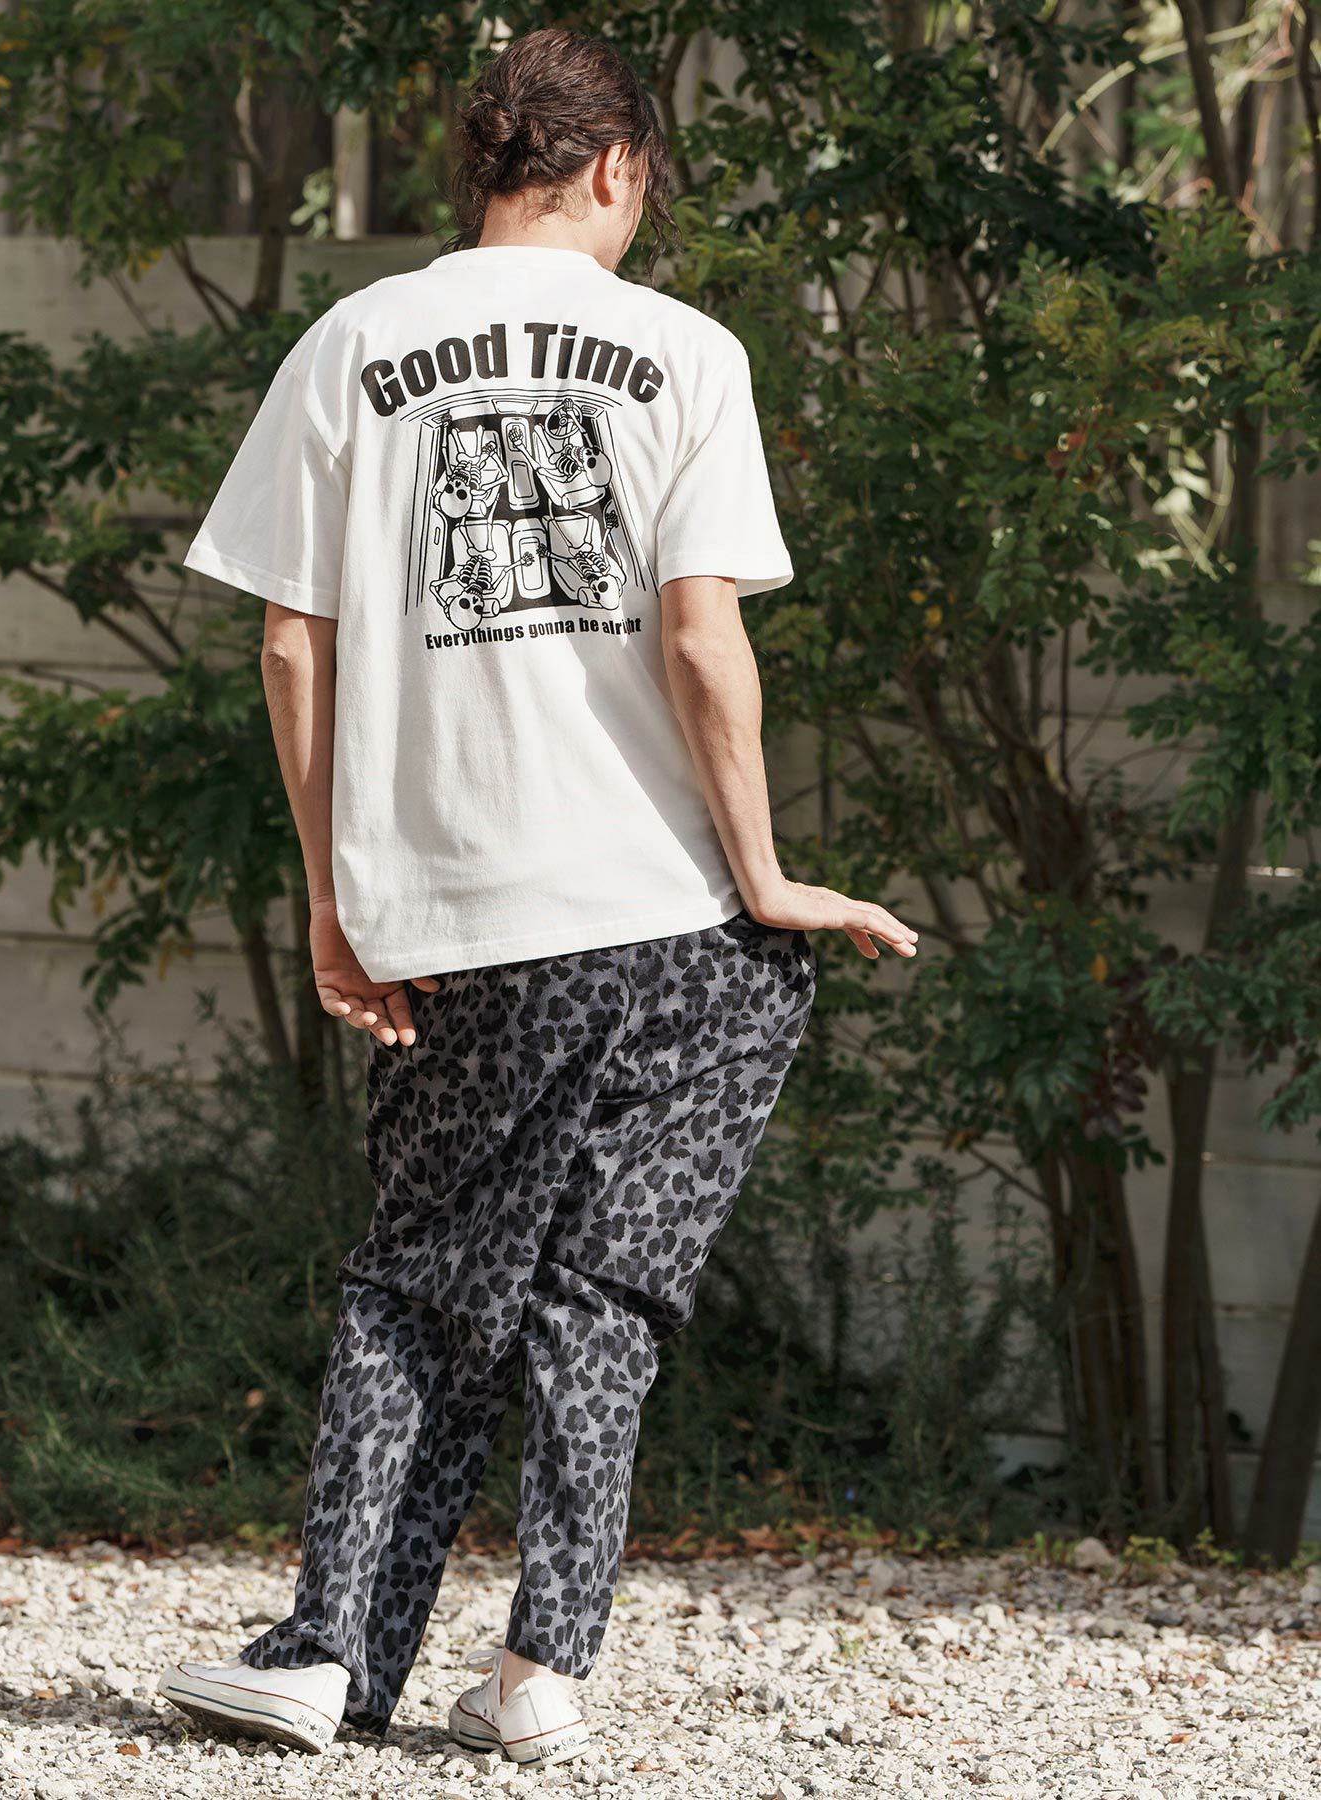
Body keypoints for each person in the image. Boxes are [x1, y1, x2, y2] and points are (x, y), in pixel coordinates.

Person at [156, 24, 916, 1772]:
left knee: (422, 1287)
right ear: (619, 165)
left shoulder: (353, 341)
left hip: (467, 922)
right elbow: (701, 638)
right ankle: (540, 1674)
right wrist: (765, 874)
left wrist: (338, 897)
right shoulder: (691, 354)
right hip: (672, 922)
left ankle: (327, 1655)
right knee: (604, 1297)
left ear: (489, 164)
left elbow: (290, 648)